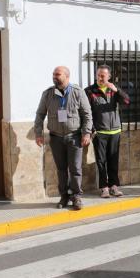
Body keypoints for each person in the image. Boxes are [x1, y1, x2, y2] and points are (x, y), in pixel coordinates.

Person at [35, 66, 92, 210]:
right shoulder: (48, 94)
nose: (54, 77)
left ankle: (76, 196)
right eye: (53, 74)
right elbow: (40, 114)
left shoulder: (78, 92)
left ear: (67, 76)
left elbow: (87, 114)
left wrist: (86, 133)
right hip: (56, 138)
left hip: (74, 137)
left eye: (57, 74)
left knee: (75, 169)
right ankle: (64, 196)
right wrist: (38, 133)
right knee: (61, 169)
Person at [85, 65, 130, 198]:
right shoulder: (89, 91)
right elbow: (85, 112)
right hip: (100, 132)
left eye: (103, 75)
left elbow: (127, 101)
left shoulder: (114, 90)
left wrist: (116, 90)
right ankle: (104, 187)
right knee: (101, 161)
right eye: (98, 75)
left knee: (113, 160)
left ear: (109, 77)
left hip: (115, 131)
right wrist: (91, 129)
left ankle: (114, 186)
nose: (100, 78)